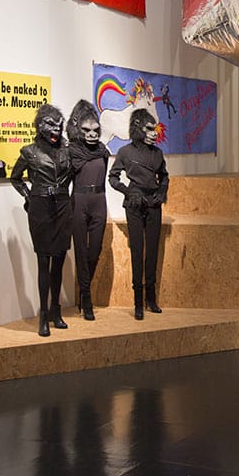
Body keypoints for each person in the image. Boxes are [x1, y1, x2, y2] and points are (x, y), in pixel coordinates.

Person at [10, 104, 73, 337]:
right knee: (43, 262)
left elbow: (75, 174)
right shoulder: (29, 152)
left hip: (62, 209)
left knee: (59, 261)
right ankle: (43, 316)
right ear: (40, 126)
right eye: (50, 124)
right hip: (40, 210)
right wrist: (29, 197)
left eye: (59, 125)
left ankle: (57, 312)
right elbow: (15, 178)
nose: (55, 129)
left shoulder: (68, 152)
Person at [108, 109, 169, 320]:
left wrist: (161, 193)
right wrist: (128, 191)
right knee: (137, 250)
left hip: (153, 204)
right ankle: (137, 302)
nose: (154, 133)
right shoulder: (125, 152)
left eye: (155, 129)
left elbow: (165, 176)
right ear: (138, 128)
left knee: (151, 251)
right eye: (149, 129)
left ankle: (150, 299)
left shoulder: (157, 154)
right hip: (134, 204)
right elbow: (113, 177)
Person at [66, 100, 109, 321]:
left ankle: (84, 291)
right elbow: (65, 180)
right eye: (86, 130)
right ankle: (87, 298)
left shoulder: (103, 151)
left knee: (95, 250)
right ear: (77, 129)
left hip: (99, 200)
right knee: (81, 252)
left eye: (95, 129)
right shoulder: (72, 151)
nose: (92, 134)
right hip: (79, 201)